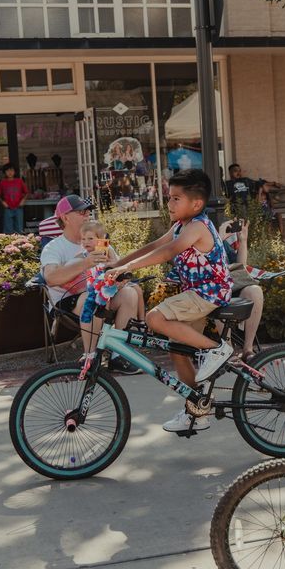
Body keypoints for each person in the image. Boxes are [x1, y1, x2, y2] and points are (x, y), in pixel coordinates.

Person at [108, 169, 234, 433]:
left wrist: (127, 267)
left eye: (176, 198)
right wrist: (117, 264)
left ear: (196, 204)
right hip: (195, 295)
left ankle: (217, 349)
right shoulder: (180, 226)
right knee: (179, 352)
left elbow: (168, 252)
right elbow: (156, 245)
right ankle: (197, 411)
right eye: (169, 198)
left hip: (208, 293)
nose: (169, 203)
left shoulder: (198, 226)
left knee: (155, 317)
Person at [39, 196, 139, 354]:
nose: (88, 215)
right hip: (66, 301)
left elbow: (117, 267)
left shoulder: (99, 243)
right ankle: (90, 356)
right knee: (91, 298)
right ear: (65, 218)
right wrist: (85, 263)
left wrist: (118, 276)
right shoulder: (54, 247)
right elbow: (50, 278)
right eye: (82, 212)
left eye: (88, 212)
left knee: (129, 293)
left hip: (101, 293)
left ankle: (120, 355)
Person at [80, 219, 145, 324]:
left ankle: (142, 320)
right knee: (103, 293)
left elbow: (116, 263)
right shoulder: (85, 254)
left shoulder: (105, 248)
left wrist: (109, 262)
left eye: (90, 238)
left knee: (137, 288)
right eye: (83, 239)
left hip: (113, 277)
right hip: (99, 283)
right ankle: (106, 314)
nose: (86, 242)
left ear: (101, 239)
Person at [219, 218, 264, 360]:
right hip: (213, 288)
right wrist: (218, 239)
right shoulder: (202, 238)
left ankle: (248, 349)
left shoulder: (223, 242)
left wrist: (243, 240)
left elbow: (240, 267)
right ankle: (228, 350)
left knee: (254, 291)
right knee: (219, 292)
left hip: (232, 284)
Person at [0, 164, 29, 234]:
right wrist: (3, 202)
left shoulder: (19, 181)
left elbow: (26, 192)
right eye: (7, 171)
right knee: (8, 228)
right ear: (5, 172)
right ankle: (8, 243)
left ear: (15, 172)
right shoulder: (3, 182)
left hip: (18, 207)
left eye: (12, 170)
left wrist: (23, 201)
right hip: (8, 208)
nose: (10, 172)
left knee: (19, 227)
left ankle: (20, 242)